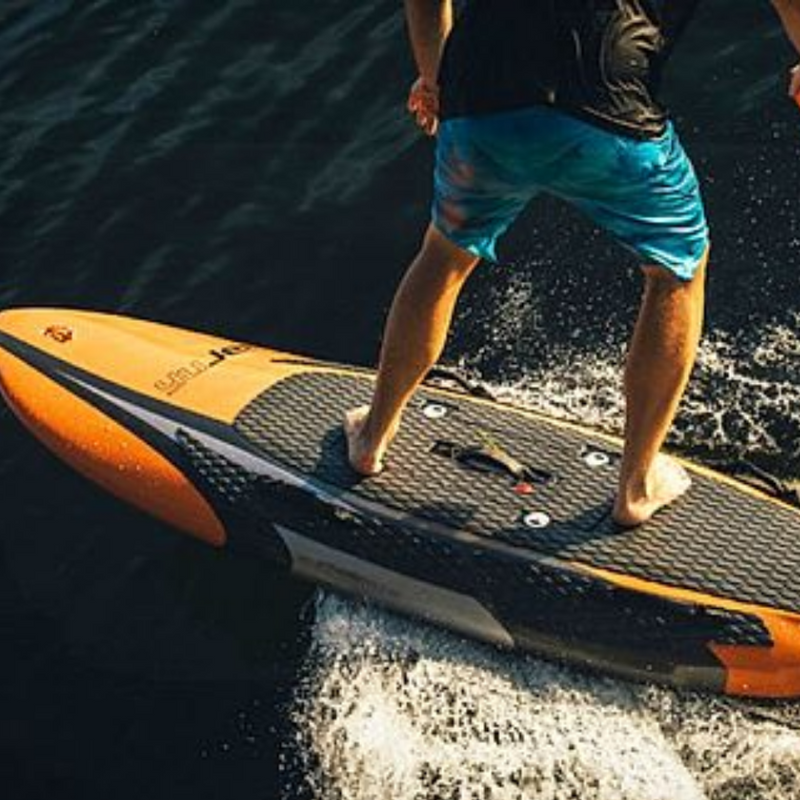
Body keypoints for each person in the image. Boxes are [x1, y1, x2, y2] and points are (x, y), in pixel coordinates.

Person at [345, 0, 800, 527]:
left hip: (480, 99)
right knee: (677, 272)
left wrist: (434, 77)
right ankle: (635, 487)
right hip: (607, 107)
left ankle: (373, 435)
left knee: (444, 253)